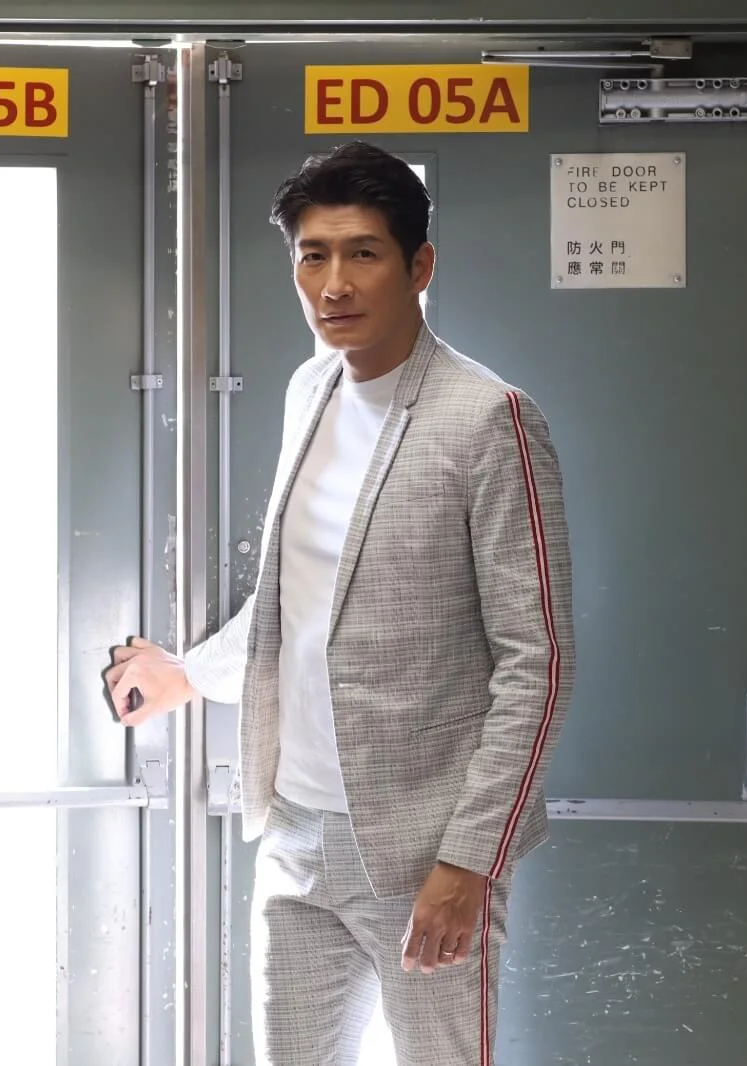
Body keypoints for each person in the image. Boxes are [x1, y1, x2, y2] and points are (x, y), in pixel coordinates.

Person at [105, 140, 576, 1065]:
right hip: (295, 830)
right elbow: (296, 605)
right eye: (312, 256)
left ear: (419, 266)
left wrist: (470, 859)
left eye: (363, 253)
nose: (334, 284)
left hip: (424, 847)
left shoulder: (489, 419)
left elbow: (539, 665)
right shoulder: (310, 389)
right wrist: (187, 675)